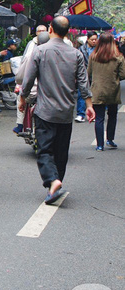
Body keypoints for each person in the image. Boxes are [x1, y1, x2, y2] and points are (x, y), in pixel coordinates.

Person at [19, 16, 95, 205]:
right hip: (66, 112)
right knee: (61, 152)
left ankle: (53, 181)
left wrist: (22, 98)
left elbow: (28, 80)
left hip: (45, 111)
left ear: (50, 29)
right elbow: (83, 83)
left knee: (44, 150)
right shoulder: (76, 54)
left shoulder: (40, 51)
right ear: (68, 32)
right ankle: (56, 185)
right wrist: (89, 105)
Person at [87, 32, 125, 151]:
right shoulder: (119, 57)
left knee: (99, 118)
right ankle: (110, 139)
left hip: (97, 90)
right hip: (112, 90)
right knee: (112, 115)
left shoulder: (93, 56)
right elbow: (123, 74)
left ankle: (99, 145)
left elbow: (88, 73)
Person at [13, 28, 50, 134]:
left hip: (32, 92)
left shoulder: (31, 55)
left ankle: (20, 124)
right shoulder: (57, 55)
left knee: (20, 99)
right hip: (51, 94)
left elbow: (21, 76)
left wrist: (22, 91)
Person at [75, 31, 98, 122]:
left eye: (96, 40)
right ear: (87, 39)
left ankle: (93, 113)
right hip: (83, 74)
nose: (94, 41)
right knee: (81, 94)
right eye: (92, 39)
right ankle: (80, 114)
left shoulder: (98, 50)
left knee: (94, 95)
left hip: (95, 75)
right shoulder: (81, 49)